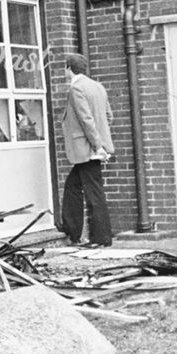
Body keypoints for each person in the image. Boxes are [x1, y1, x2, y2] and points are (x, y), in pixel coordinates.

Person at [61, 53, 114, 247]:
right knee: (73, 186)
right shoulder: (97, 87)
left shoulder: (76, 88)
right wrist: (101, 141)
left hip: (88, 149)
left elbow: (85, 119)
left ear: (68, 68)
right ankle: (72, 231)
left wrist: (97, 146)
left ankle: (101, 238)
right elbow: (108, 117)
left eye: (65, 68)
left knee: (93, 193)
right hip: (93, 147)